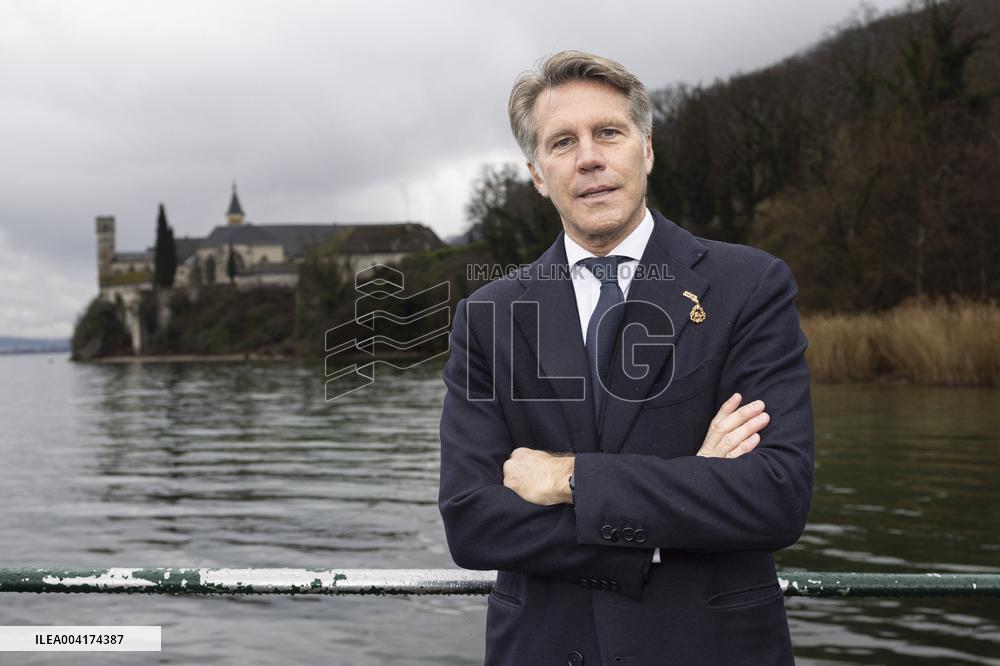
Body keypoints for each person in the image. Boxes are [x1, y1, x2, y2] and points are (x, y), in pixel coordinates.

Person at [438, 50, 814, 665]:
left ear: (647, 148)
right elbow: (473, 520)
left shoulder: (749, 285)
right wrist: (687, 497)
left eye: (608, 132)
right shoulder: (489, 317)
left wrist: (570, 479)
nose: (589, 157)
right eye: (562, 142)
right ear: (537, 173)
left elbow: (774, 496)